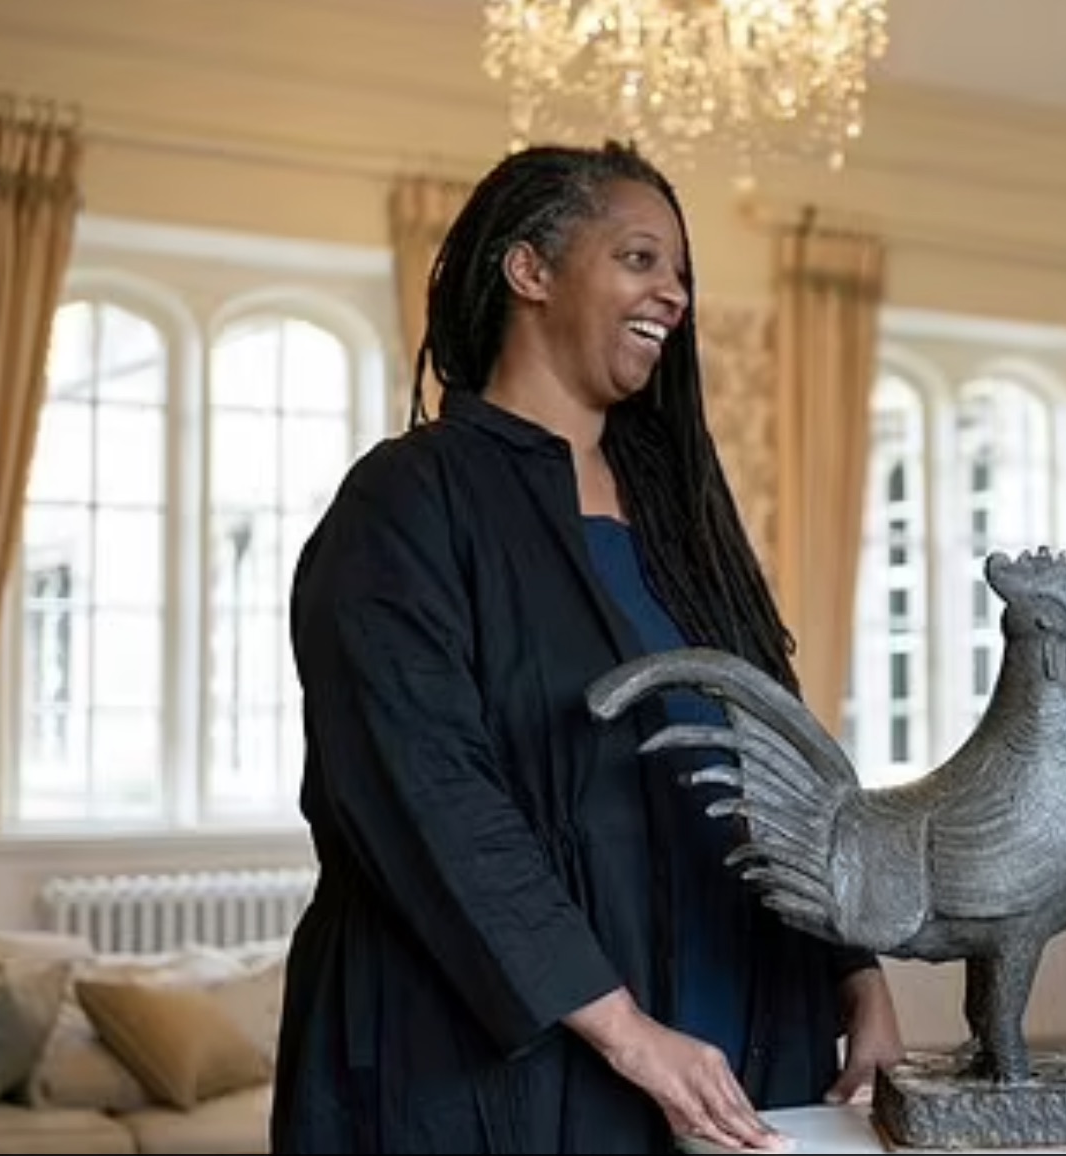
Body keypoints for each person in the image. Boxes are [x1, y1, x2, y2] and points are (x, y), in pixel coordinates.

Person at [271, 140, 903, 1154]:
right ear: (529, 270)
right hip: (500, 1065)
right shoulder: (405, 502)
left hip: (740, 1036)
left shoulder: (683, 522)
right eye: (641, 259)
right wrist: (626, 1033)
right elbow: (428, 794)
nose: (674, 294)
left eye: (683, 273)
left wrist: (856, 972)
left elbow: (784, 765)